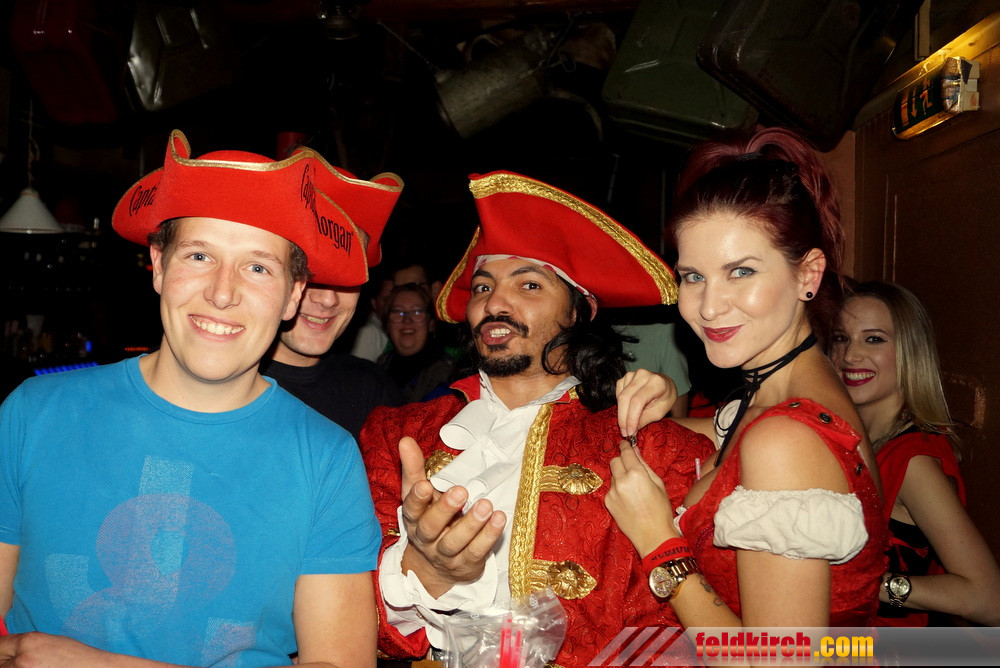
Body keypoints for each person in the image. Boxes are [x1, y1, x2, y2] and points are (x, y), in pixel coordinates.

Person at [0, 130, 381, 667]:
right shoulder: (32, 414)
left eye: (258, 267)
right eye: (200, 255)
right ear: (158, 265)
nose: (222, 293)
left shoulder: (327, 460)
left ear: (293, 295)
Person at [360, 171, 711, 666]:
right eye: (482, 287)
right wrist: (426, 571)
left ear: (578, 311)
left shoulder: (653, 449)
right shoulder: (395, 436)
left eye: (528, 284)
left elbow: (682, 634)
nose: (494, 303)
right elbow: (350, 619)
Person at [605, 127, 887, 630]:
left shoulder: (786, 441)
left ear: (808, 274)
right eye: (693, 276)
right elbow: (724, 440)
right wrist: (663, 396)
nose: (709, 307)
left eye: (741, 272)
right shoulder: (775, 396)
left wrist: (657, 541)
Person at [830, 280, 1000, 626]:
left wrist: (871, 585)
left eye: (874, 339)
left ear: (910, 352)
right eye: (841, 338)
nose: (849, 355)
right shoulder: (842, 437)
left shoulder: (913, 461)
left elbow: (988, 599)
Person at [261, 161, 405, 441]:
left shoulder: (374, 393)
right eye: (309, 275)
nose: (328, 299)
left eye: (347, 279)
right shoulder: (213, 385)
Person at [376, 283, 455, 403]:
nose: (407, 320)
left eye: (417, 312)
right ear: (387, 324)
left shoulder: (447, 375)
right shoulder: (378, 368)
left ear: (431, 323)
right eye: (398, 312)